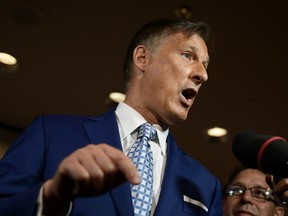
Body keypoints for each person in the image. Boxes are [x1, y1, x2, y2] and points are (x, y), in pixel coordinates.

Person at [0, 19, 223, 215]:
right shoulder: (50, 133)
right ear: (143, 58)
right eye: (187, 55)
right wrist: (49, 198)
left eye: (205, 65)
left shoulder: (205, 186)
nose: (202, 74)